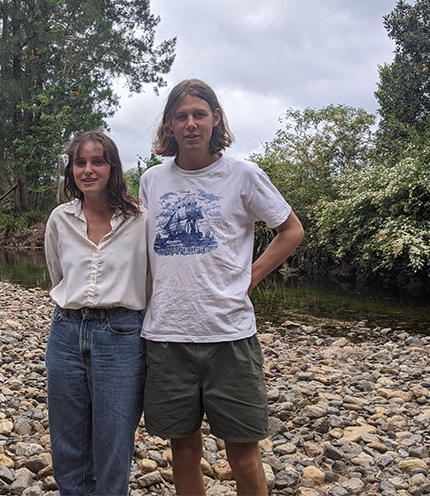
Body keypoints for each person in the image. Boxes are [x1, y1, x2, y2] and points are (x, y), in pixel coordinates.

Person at [139, 79, 304, 496]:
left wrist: (251, 276)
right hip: (167, 335)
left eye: (199, 114)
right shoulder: (152, 180)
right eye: (181, 116)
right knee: (183, 450)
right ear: (170, 124)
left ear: (215, 118)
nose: (191, 124)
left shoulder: (243, 175)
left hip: (230, 335)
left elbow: (291, 230)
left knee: (244, 455)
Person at [44, 130, 148, 495]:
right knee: (67, 438)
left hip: (122, 335)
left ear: (113, 167)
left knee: (114, 438)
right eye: (80, 163)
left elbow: (150, 280)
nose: (88, 170)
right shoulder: (60, 219)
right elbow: (57, 274)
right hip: (66, 332)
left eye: (97, 162)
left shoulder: (140, 220)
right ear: (71, 170)